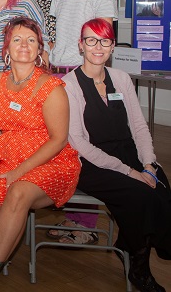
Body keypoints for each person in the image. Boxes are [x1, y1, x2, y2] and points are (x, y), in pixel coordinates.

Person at [0, 17, 80, 292]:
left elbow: (58, 140)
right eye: (17, 39)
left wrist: (18, 172)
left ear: (40, 49)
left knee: (17, 192)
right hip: (8, 160)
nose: (24, 45)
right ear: (6, 49)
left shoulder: (51, 88)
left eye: (31, 40)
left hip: (51, 161)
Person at [64, 18, 171, 292]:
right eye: (91, 40)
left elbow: (138, 126)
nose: (97, 47)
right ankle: (139, 270)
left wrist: (148, 164)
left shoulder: (121, 78)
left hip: (128, 153)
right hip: (91, 163)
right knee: (141, 196)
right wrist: (130, 172)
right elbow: (79, 143)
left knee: (162, 188)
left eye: (104, 40)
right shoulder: (69, 85)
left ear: (112, 46)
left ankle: (127, 243)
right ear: (81, 45)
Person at [45, 0, 118, 241]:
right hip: (57, 75)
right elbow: (56, 40)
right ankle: (71, 214)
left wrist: (88, 79)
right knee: (61, 146)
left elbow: (101, 42)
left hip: (83, 77)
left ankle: (84, 225)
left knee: (82, 148)